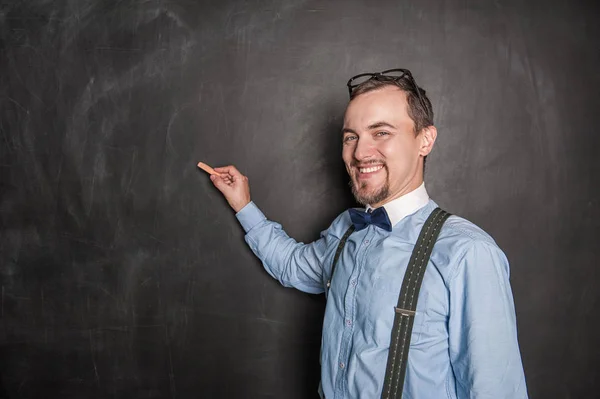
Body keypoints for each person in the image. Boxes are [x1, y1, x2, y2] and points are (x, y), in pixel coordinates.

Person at [208, 69, 528, 398]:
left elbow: (497, 390)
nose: (360, 153)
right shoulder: (346, 230)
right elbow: (292, 265)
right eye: (351, 137)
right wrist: (244, 205)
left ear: (425, 140)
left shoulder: (467, 253)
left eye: (381, 133)